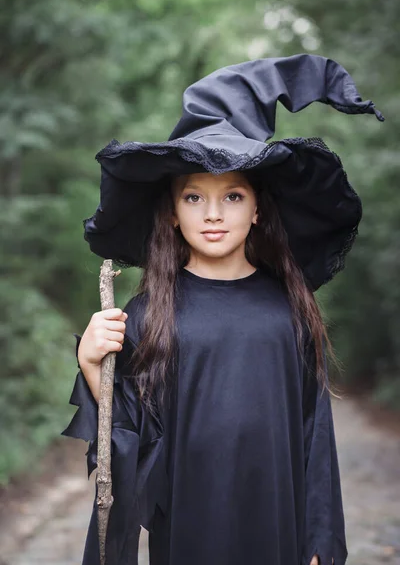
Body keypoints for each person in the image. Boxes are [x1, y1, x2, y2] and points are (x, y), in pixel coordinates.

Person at [61, 54, 384, 565]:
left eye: (232, 195)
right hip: (190, 530)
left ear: (257, 209)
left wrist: (321, 535)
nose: (213, 214)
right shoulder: (149, 314)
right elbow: (130, 447)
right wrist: (93, 365)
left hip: (279, 525)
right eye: (194, 198)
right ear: (171, 211)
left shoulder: (289, 311)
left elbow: (314, 432)